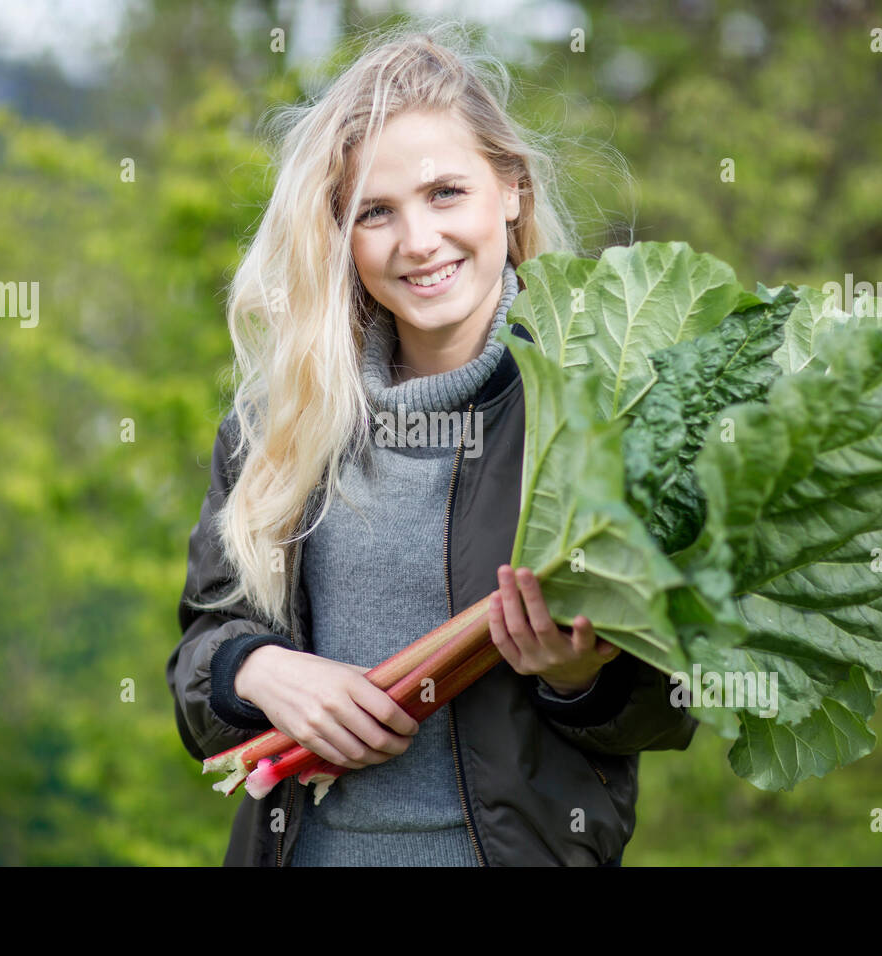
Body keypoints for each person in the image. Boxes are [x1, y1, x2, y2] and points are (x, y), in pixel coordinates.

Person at [166, 22, 697, 867]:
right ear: (341, 233)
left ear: (511, 190)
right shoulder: (282, 421)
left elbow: (671, 702)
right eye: (376, 211)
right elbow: (201, 655)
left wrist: (575, 676)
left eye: (446, 192)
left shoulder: (605, 405)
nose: (417, 241)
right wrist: (257, 670)